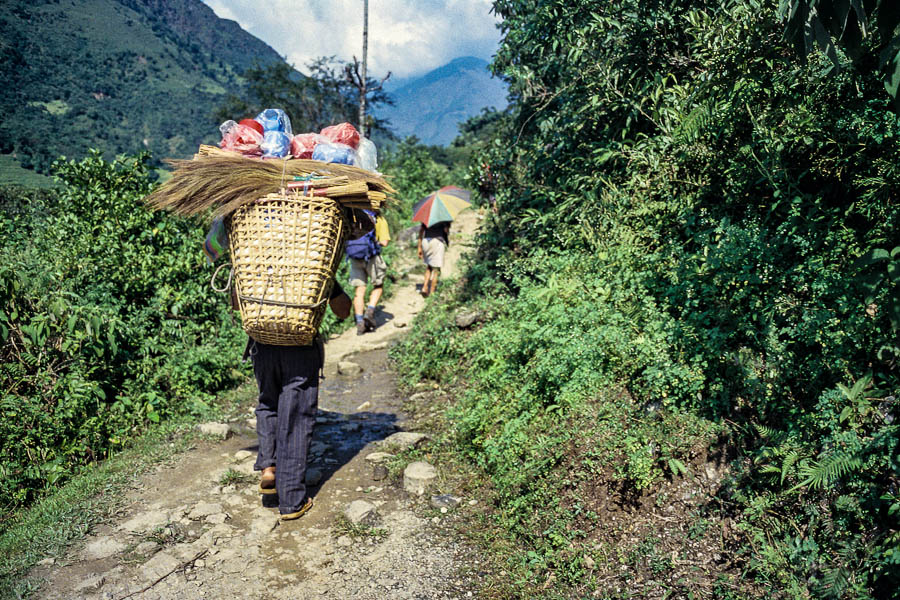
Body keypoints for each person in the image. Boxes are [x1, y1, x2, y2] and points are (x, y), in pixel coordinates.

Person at [251, 282, 351, 519]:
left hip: (262, 346)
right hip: (300, 348)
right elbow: (343, 310)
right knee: (296, 419)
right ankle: (292, 500)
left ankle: (269, 468)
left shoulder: (254, 266)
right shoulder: (311, 265)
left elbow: (237, 303)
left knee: (268, 404)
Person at [345, 211, 390, 335]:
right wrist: (376, 242)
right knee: (378, 285)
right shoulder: (378, 218)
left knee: (359, 290)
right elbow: (384, 242)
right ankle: (369, 311)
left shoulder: (353, 215)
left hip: (354, 257)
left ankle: (359, 322)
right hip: (371, 257)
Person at [417, 221, 450, 297]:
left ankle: (424, 287)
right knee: (437, 269)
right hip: (437, 242)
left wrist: (419, 247)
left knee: (429, 266)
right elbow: (446, 231)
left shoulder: (427, 217)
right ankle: (432, 293)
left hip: (426, 241)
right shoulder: (444, 218)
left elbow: (421, 231)